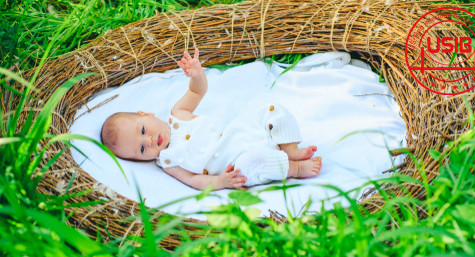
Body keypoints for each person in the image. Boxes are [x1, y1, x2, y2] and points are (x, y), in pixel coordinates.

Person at [101, 48, 322, 190]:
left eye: (142, 131)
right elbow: (194, 180)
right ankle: (295, 169)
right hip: (238, 158)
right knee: (253, 163)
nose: (149, 141)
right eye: (141, 150)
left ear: (146, 114)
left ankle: (289, 147)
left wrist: (197, 74)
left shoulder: (177, 114)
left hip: (243, 131)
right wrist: (221, 182)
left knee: (272, 109)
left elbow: (197, 92)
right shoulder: (168, 161)